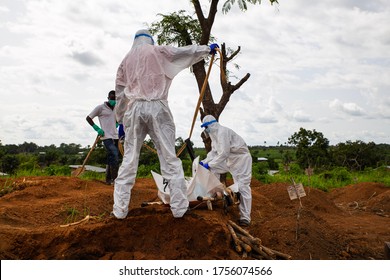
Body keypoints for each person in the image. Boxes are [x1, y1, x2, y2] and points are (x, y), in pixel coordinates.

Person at [112, 28, 219, 219]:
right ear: (150, 40)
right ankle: (179, 209)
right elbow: (182, 52)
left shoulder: (125, 61)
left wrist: (120, 119)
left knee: (128, 161)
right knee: (169, 158)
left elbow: (120, 93)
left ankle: (119, 211)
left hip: (134, 110)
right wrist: (206, 50)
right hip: (158, 108)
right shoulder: (157, 51)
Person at [199, 115, 252, 226]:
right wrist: (204, 162)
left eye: (206, 126)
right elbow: (214, 152)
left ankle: (245, 218)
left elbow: (223, 153)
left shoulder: (223, 132)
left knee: (242, 186)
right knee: (213, 169)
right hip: (230, 160)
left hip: (241, 160)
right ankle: (217, 193)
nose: (206, 129)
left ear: (212, 124)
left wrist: (210, 164)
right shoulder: (214, 135)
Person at [86, 90, 119, 185]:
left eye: (115, 99)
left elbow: (119, 118)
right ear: (108, 98)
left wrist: (116, 123)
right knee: (115, 155)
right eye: (112, 99)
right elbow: (88, 118)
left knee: (111, 157)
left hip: (115, 136)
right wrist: (97, 128)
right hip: (105, 136)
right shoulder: (100, 108)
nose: (114, 100)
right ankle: (115, 180)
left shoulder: (116, 108)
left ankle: (108, 180)